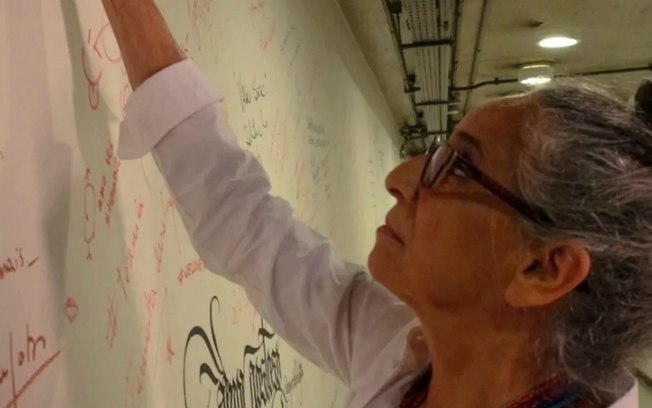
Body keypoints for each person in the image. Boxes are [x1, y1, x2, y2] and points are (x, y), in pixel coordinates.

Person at [102, 1, 652, 407]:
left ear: (544, 268)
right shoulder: (404, 352)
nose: (399, 178)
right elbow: (245, 223)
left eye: (459, 165)